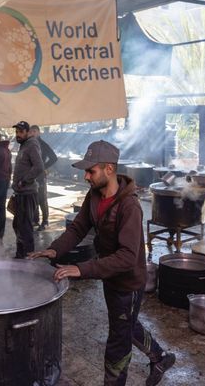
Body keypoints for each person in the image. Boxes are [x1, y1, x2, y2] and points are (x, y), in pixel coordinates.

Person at [29, 141, 175, 386]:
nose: (86, 176)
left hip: (127, 284)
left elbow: (128, 257)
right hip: (110, 278)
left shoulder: (130, 206)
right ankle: (160, 357)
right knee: (125, 323)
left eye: (90, 171)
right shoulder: (94, 196)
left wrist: (83, 269)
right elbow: (78, 228)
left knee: (118, 342)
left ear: (109, 169)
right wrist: (54, 250)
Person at [11, 121, 44, 258]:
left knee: (25, 227)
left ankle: (29, 258)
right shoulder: (23, 145)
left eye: (21, 132)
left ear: (28, 132)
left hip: (27, 193)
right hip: (20, 193)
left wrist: (24, 181)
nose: (18, 135)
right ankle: (20, 255)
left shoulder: (31, 144)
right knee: (18, 225)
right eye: (16, 132)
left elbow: (39, 167)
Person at [29, 124, 58, 231]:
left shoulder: (43, 145)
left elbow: (54, 158)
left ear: (38, 132)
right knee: (33, 198)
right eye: (30, 132)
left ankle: (45, 221)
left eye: (34, 132)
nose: (32, 134)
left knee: (42, 199)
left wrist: (43, 166)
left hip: (40, 176)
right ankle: (35, 219)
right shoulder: (29, 144)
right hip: (30, 176)